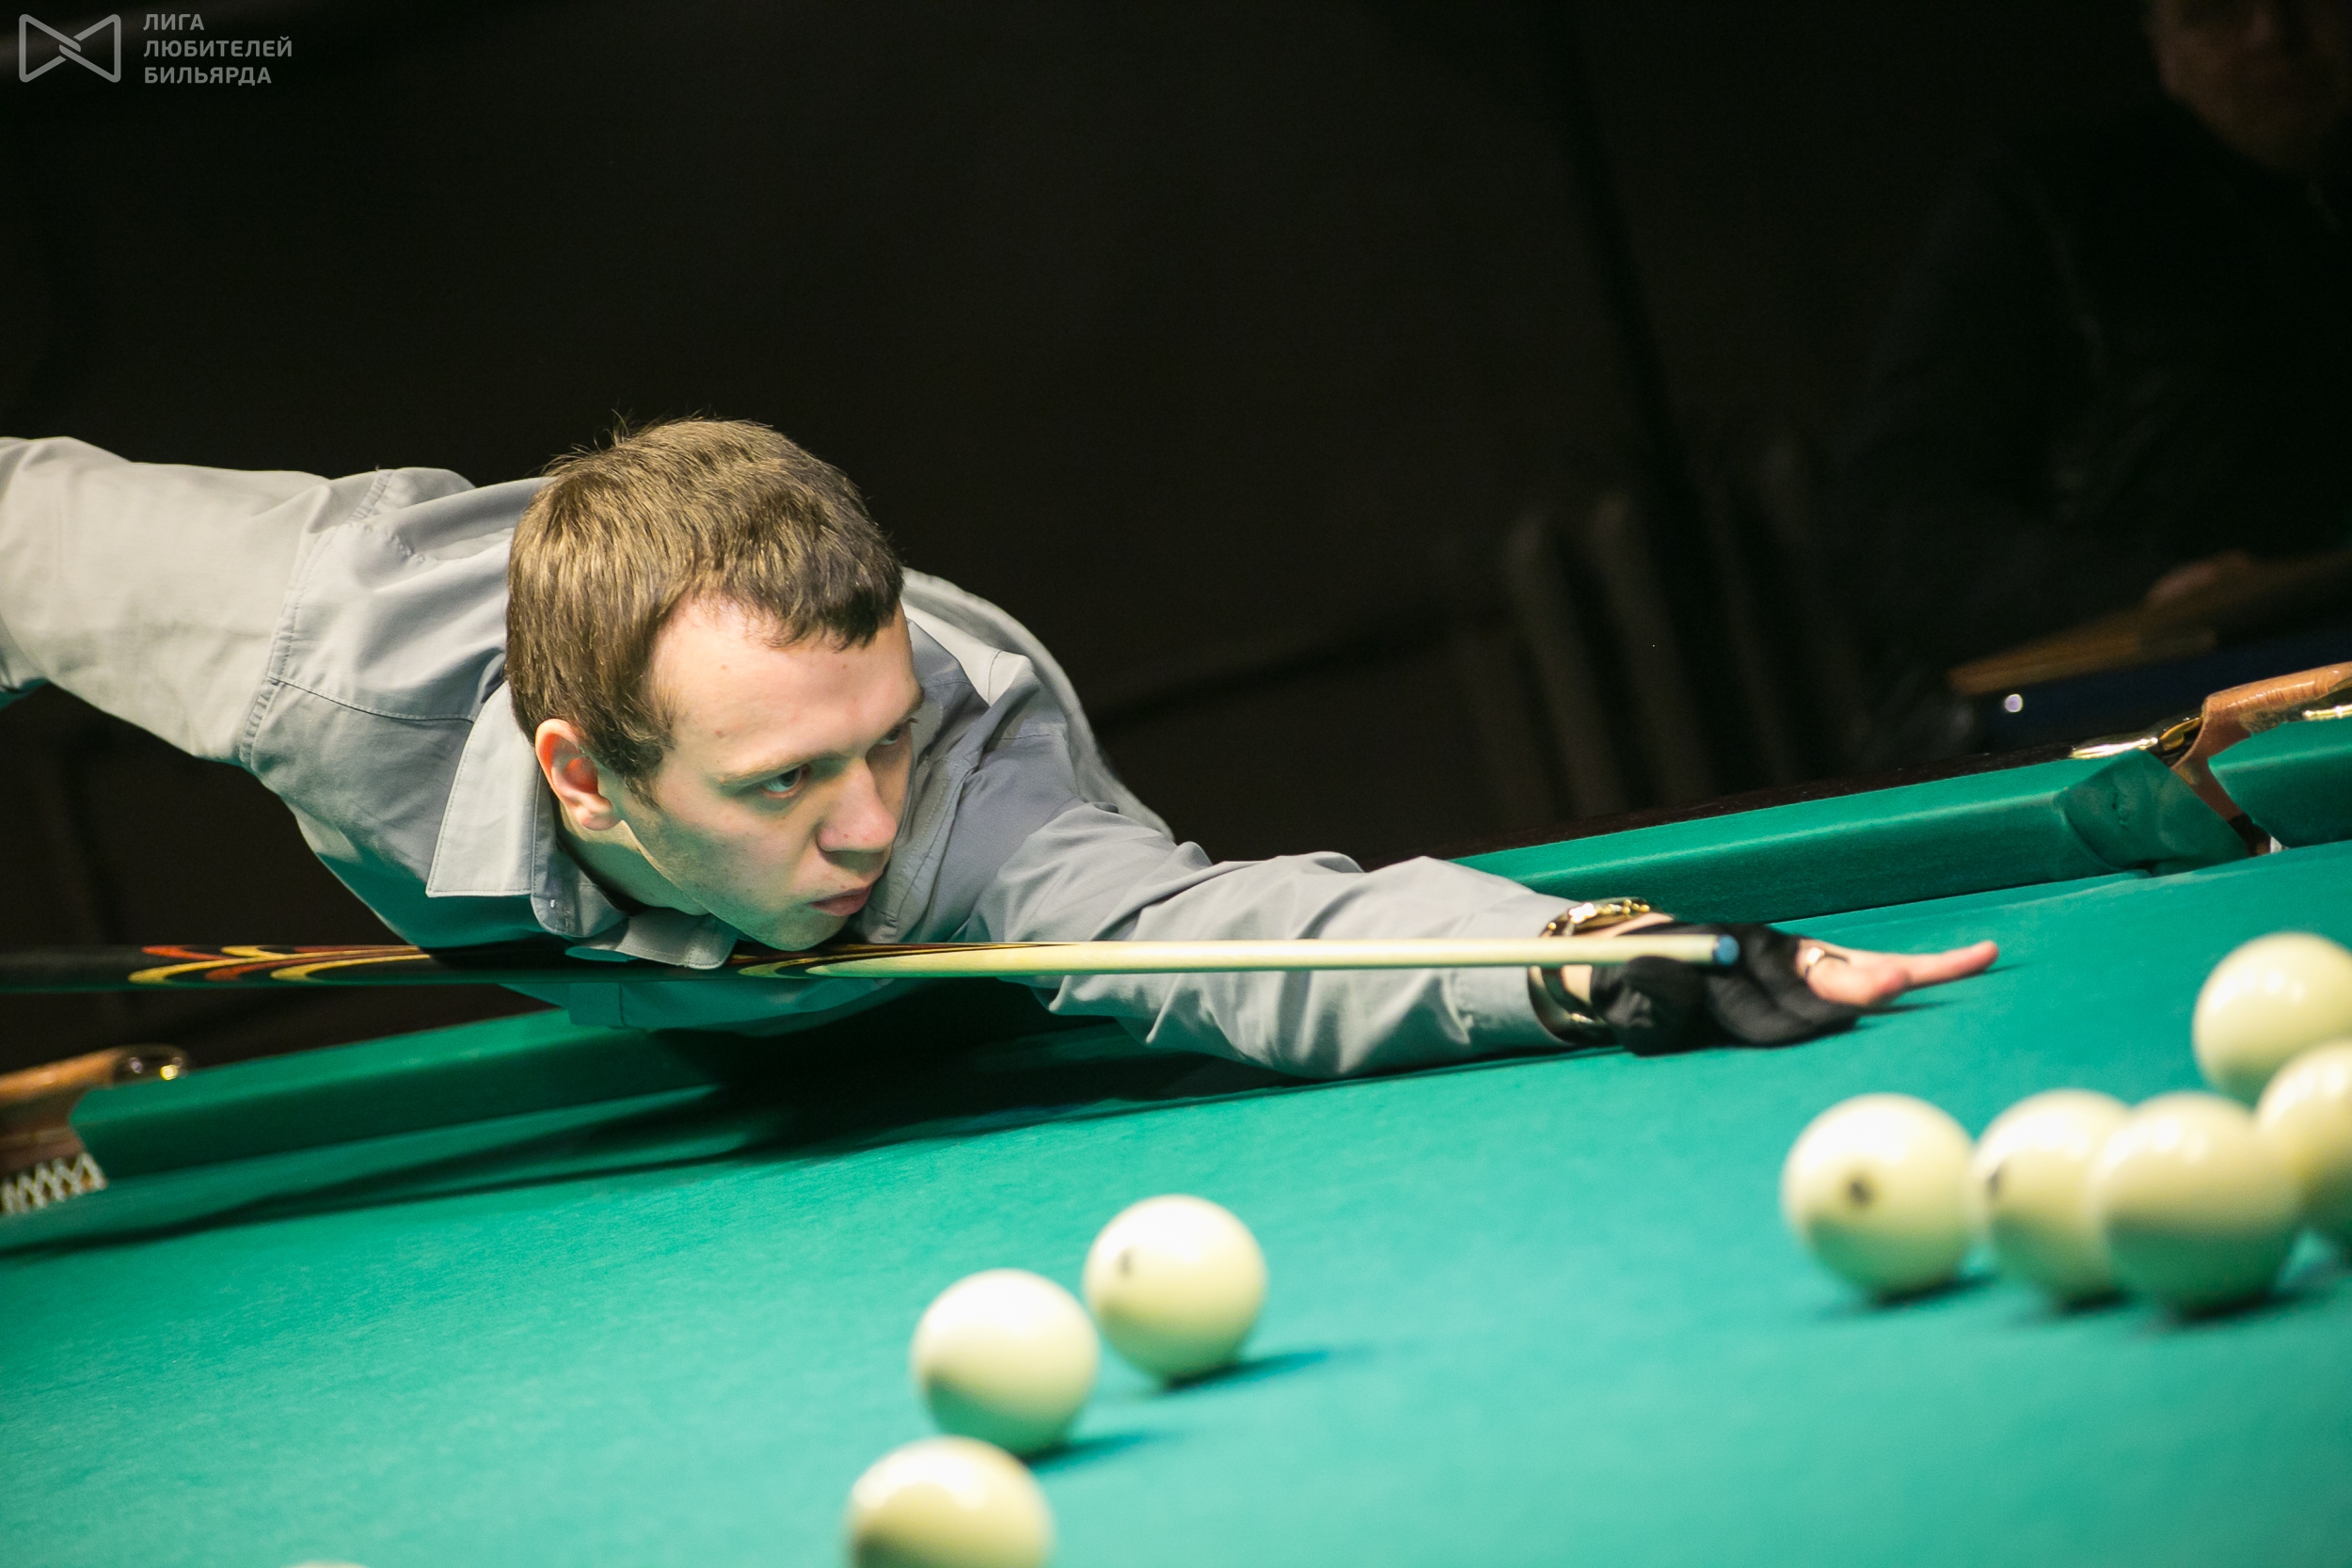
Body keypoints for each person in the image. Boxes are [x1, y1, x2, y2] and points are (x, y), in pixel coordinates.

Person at [0, 421, 1993, 1077]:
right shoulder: (310, 640)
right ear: (582, 779)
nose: (866, 824)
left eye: (874, 743)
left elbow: (1244, 935)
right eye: (781, 782)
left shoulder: (970, 790)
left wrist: (1608, 955)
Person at [1825, 0, 2352, 765]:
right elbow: (1886, 518)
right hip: (2123, 729)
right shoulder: (2053, 202)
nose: (2273, 31)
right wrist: (2147, 590)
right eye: (2217, 9)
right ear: (2163, 45)